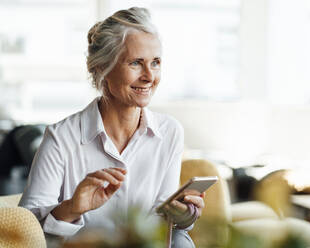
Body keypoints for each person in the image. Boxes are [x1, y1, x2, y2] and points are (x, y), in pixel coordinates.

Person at [19, 7, 204, 248]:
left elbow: (162, 223)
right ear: (101, 68)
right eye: (136, 63)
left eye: (155, 62)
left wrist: (184, 214)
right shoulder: (61, 137)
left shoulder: (170, 132)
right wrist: (72, 207)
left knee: (180, 240)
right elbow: (23, 231)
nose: (150, 76)